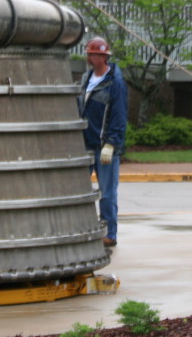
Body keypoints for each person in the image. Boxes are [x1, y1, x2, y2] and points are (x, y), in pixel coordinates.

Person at [77, 36, 128, 248]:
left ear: (103, 57)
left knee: (107, 194)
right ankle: (83, 228)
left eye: (94, 54)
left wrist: (112, 143)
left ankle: (110, 234)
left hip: (104, 146)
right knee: (79, 190)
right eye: (89, 54)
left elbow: (119, 114)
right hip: (86, 143)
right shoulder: (87, 79)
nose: (90, 57)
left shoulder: (115, 83)